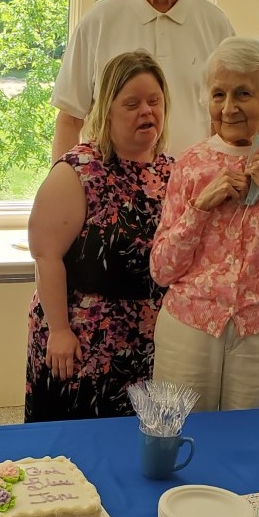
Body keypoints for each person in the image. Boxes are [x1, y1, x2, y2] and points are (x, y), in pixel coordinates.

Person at [150, 37, 259, 411]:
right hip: (189, 326)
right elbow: (162, 269)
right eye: (218, 94)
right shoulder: (191, 162)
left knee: (251, 439)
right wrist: (199, 207)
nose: (228, 108)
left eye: (243, 93)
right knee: (180, 431)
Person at [26, 50, 174, 421]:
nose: (146, 111)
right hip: (79, 339)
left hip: (150, 341)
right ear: (107, 110)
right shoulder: (77, 171)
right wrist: (59, 330)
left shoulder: (174, 171)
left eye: (154, 101)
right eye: (132, 104)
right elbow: (46, 254)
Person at [50, 0, 233, 160]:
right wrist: (63, 181)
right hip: (111, 184)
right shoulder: (98, 22)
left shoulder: (217, 27)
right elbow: (70, 118)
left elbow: (228, 122)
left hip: (194, 184)